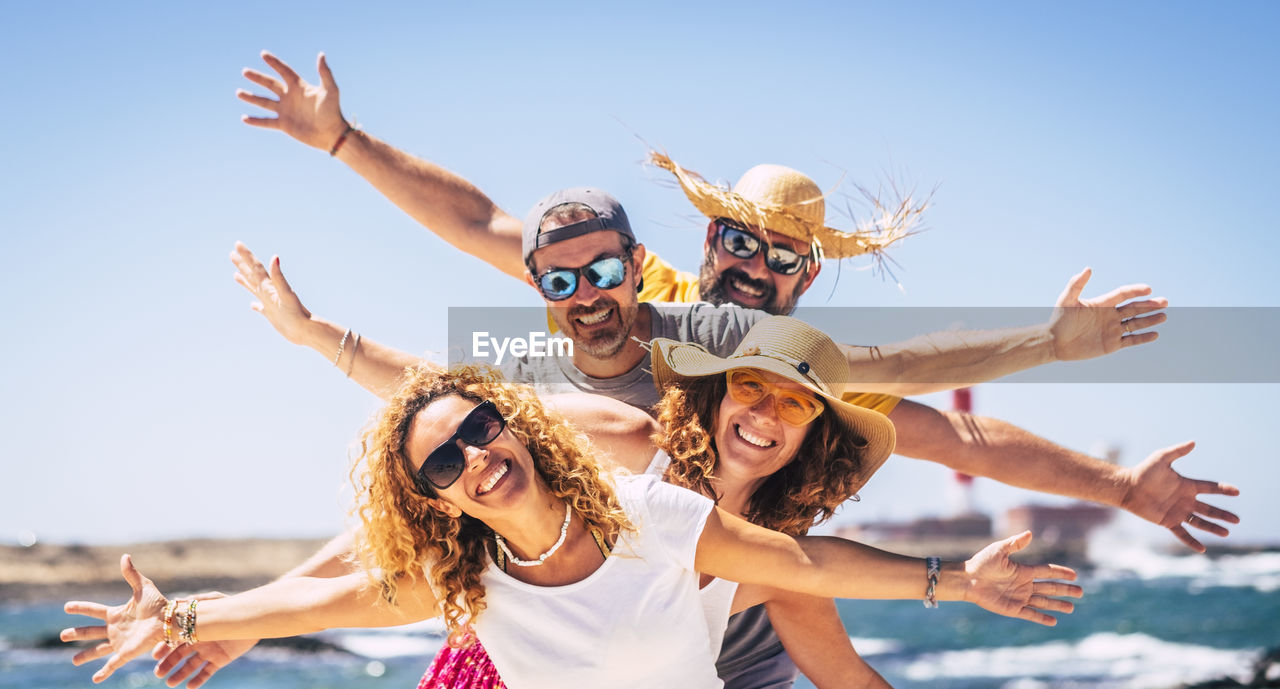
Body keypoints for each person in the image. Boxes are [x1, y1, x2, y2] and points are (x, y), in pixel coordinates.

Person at [64, 365, 1083, 689]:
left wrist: (954, 577)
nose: (472, 454)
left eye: (477, 427)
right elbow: (316, 595)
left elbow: (800, 561)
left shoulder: (658, 516)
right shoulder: (464, 585)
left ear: (512, 424)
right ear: (436, 497)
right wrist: (186, 614)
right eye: (442, 459)